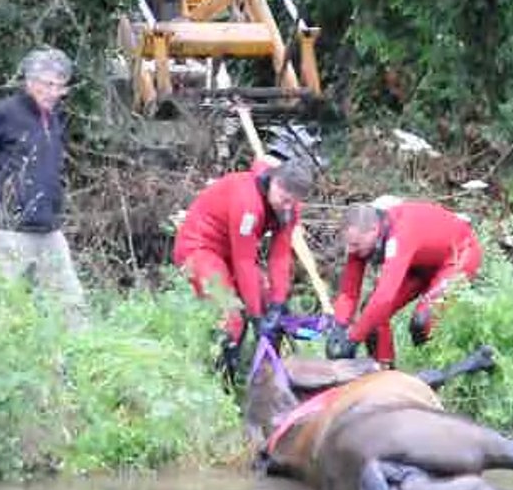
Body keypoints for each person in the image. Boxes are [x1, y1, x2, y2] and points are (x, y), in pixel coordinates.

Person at [0, 47, 87, 329]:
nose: (54, 92)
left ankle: (79, 364)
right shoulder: (5, 113)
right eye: (48, 84)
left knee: (72, 307)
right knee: (0, 309)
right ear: (30, 82)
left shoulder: (53, 118)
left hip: (49, 231)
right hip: (8, 232)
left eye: (60, 86)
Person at [173, 158, 315, 381]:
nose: (287, 206)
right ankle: (219, 384)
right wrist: (257, 316)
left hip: (230, 252)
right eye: (284, 199)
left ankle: (267, 380)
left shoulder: (288, 207)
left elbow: (280, 256)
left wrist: (278, 302)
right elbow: (244, 262)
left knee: (271, 308)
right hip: (200, 248)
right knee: (232, 317)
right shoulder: (248, 203)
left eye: (293, 202)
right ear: (274, 183)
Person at [325, 200, 483, 368]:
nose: (350, 250)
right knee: (370, 313)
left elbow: (385, 297)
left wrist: (353, 339)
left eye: (355, 244)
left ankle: (443, 373)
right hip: (420, 264)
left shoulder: (400, 234)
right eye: (348, 244)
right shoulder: (361, 241)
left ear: (374, 230)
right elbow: (349, 292)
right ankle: (384, 370)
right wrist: (339, 327)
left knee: (424, 321)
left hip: (459, 254)